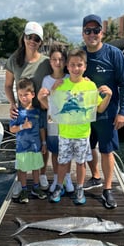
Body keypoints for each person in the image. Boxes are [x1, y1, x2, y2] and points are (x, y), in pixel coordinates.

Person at [49, 48, 112, 205]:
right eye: (72, 65)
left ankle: (80, 188)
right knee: (63, 163)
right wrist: (52, 90)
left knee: (81, 163)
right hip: (64, 133)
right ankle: (59, 186)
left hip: (83, 134)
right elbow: (54, 107)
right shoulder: (61, 85)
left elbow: (100, 109)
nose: (76, 68)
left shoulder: (90, 87)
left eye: (79, 65)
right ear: (67, 66)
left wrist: (109, 96)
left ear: (85, 66)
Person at [82, 14, 124, 209]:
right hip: (84, 114)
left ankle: (108, 188)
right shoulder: (79, 55)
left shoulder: (114, 54)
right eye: (88, 30)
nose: (92, 34)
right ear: (83, 33)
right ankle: (95, 176)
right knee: (87, 147)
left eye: (96, 30)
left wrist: (123, 112)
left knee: (107, 150)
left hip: (108, 113)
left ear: (102, 33)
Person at [5, 21, 52, 193]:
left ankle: (41, 174)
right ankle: (21, 180)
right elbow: (8, 85)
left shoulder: (46, 62)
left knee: (42, 143)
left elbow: (59, 77)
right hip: (23, 112)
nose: (32, 40)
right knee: (22, 146)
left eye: (36, 38)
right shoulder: (13, 60)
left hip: (43, 110)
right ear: (23, 38)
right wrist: (11, 103)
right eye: (29, 37)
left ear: (40, 42)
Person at [37, 44, 74, 194]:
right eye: (54, 59)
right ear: (50, 61)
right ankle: (57, 178)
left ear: (65, 62)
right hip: (52, 121)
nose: (57, 62)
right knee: (55, 151)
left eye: (60, 59)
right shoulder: (46, 80)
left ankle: (67, 177)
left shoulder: (69, 77)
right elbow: (46, 105)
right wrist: (53, 90)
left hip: (67, 122)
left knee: (67, 151)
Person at [9, 78, 47, 203]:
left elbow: (41, 128)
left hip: (36, 146)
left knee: (36, 168)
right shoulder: (16, 112)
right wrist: (22, 127)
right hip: (22, 147)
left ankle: (36, 188)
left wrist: (44, 143)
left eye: (26, 94)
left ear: (33, 95)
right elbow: (12, 129)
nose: (23, 98)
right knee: (23, 169)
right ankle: (24, 189)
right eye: (20, 95)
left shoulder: (38, 111)